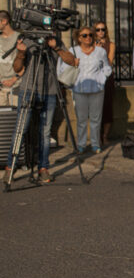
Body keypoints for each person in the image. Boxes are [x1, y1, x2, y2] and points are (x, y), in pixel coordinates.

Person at [5, 34, 76, 183]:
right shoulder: (27, 38)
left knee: (45, 132)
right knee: (21, 128)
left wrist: (56, 47)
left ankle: (43, 168)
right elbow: (17, 68)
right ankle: (10, 167)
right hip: (29, 90)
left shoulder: (54, 40)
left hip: (49, 91)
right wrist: (21, 53)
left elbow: (72, 61)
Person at [59, 26, 112, 154]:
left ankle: (95, 143)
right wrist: (73, 64)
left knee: (96, 118)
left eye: (90, 35)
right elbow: (62, 67)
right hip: (79, 88)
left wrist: (102, 78)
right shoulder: (73, 51)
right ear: (79, 38)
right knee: (81, 119)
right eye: (84, 35)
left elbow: (107, 67)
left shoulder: (100, 51)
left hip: (97, 89)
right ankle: (81, 144)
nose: (88, 38)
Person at [93, 21, 115, 145]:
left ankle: (105, 136)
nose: (100, 32)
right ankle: (96, 137)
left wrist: (101, 52)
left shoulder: (110, 45)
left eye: (103, 29)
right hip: (94, 79)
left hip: (106, 79)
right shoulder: (91, 44)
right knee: (95, 109)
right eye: (98, 30)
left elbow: (109, 63)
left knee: (107, 108)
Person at [0, 11, 21, 106]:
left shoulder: (19, 38)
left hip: (16, 88)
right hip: (1, 90)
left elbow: (25, 62)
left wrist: (13, 79)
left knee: (16, 118)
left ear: (4, 21)